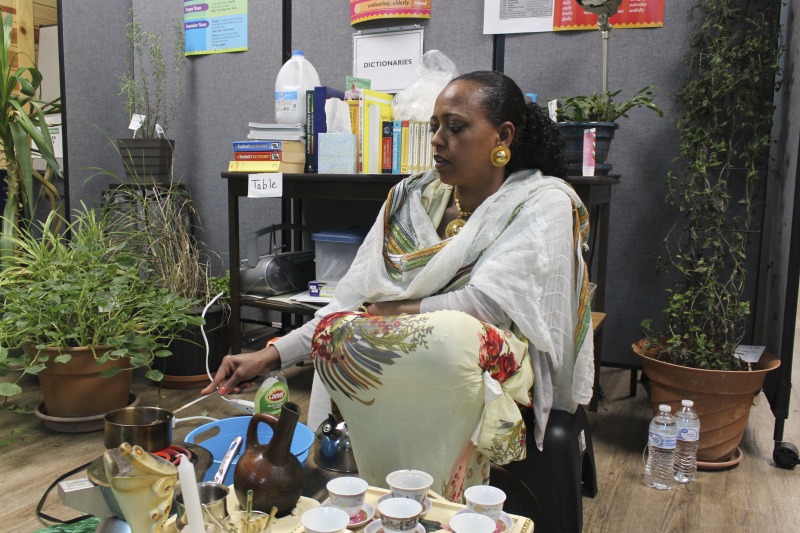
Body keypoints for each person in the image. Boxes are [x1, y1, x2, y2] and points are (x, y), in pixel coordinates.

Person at [203, 71, 594, 500]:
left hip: (489, 377)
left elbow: (488, 305)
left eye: (456, 127)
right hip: (393, 361)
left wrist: (390, 314)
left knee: (450, 338)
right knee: (346, 332)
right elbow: (350, 304)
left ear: (503, 135)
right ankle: (383, 498)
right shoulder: (410, 199)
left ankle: (440, 500)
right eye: (434, 127)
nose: (438, 140)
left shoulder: (542, 203)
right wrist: (269, 354)